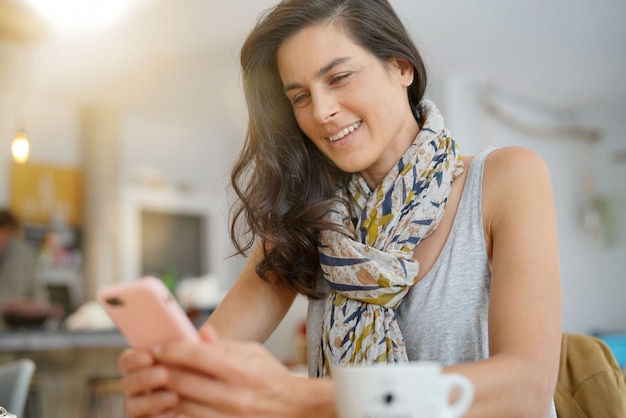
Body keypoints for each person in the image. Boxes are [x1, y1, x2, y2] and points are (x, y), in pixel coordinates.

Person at [118, 0, 562, 416]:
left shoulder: (507, 177)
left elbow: (525, 390)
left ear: (401, 67)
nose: (321, 111)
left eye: (339, 77)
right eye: (300, 97)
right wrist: (175, 385)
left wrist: (300, 398)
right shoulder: (306, 219)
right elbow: (211, 357)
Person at [0, 209, 49, 312]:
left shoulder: (23, 255)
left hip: (16, 323)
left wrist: (32, 305)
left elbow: (39, 296)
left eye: (7, 233)